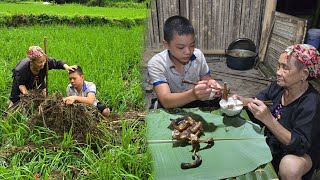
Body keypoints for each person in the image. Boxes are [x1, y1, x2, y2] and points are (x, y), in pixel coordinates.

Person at [234, 44, 320, 180]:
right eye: (278, 66)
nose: (278, 72)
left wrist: (268, 119)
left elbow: (300, 145)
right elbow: (257, 100)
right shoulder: (279, 86)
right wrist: (238, 100)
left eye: (285, 68)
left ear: (304, 74)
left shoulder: (311, 103)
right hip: (276, 143)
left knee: (290, 166)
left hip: (301, 151)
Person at [147, 15, 221, 109]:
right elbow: (165, 100)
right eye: (181, 47)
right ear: (166, 44)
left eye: (192, 45)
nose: (188, 52)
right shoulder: (157, 63)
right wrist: (193, 94)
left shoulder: (198, 55)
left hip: (195, 99)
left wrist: (212, 84)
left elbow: (206, 77)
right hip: (171, 103)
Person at [9, 46, 77, 107]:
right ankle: (7, 115)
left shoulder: (46, 62)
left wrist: (67, 67)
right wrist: (27, 95)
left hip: (38, 79)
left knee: (44, 96)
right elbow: (21, 85)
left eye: (43, 60)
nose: (43, 64)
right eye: (40, 62)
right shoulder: (21, 70)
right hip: (21, 82)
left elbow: (58, 63)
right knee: (15, 101)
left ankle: (42, 110)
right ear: (31, 62)